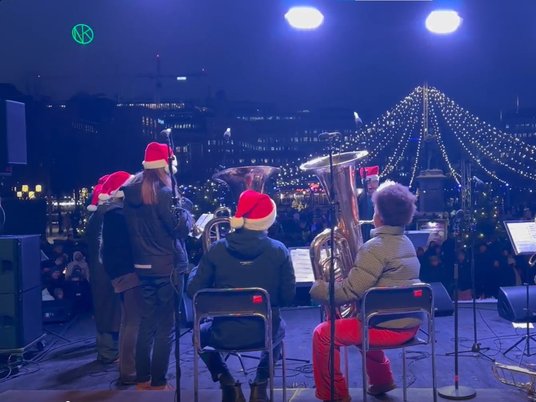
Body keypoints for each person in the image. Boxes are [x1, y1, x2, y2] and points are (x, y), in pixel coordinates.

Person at [310, 181, 420, 402]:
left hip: (386, 328)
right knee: (361, 320)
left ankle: (334, 394)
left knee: (322, 334)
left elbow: (349, 291)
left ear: (378, 215)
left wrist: (319, 288)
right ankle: (381, 380)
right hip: (410, 324)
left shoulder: (374, 247)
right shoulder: (407, 242)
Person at [188, 190, 296, 402]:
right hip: (264, 332)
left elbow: (194, 292)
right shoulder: (279, 250)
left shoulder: (217, 250)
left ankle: (227, 380)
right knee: (280, 328)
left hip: (223, 334)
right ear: (268, 220)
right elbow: (287, 298)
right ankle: (261, 383)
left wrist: (196, 270)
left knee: (197, 334)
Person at [123, 142, 194, 390]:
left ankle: (142, 377)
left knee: (147, 322)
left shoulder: (132, 193)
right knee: (166, 326)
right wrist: (185, 207)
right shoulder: (163, 193)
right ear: (166, 165)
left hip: (143, 267)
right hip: (168, 267)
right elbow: (180, 229)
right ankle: (159, 380)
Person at [100, 171, 143, 385]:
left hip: (119, 273)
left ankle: (126, 368)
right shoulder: (119, 216)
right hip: (127, 272)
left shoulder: (111, 214)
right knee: (133, 321)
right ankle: (130, 370)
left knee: (128, 321)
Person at [84, 175, 121, 365]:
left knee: (105, 311)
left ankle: (107, 351)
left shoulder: (98, 213)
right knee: (110, 312)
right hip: (107, 271)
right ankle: (108, 353)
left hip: (101, 271)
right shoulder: (107, 214)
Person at [357, 165, 380, 241]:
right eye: (367, 183)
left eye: (374, 182)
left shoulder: (382, 198)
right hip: (363, 236)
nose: (370, 186)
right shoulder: (360, 198)